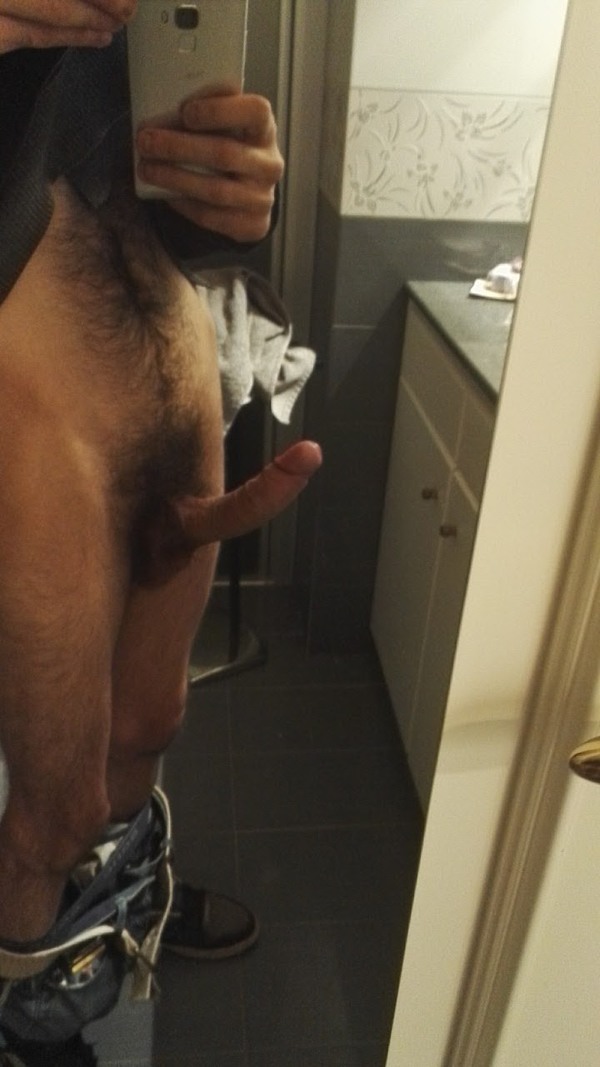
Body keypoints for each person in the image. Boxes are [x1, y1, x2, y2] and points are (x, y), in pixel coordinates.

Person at [0, 0, 322, 1038]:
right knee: (53, 808)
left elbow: (139, 191)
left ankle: (119, 910)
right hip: (34, 434)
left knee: (149, 728)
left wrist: (236, 191)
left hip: (170, 381)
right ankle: (30, 1005)